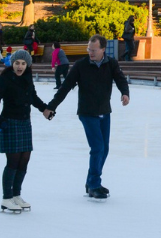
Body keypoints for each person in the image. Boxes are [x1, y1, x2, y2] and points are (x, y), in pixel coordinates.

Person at [45, 35, 130, 200]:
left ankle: (91, 181)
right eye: (89, 49)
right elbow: (66, 87)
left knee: (104, 149)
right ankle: (93, 184)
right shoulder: (80, 65)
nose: (90, 52)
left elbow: (120, 79)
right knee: (97, 147)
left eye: (93, 50)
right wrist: (51, 106)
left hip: (105, 111)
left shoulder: (111, 63)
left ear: (103, 49)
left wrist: (125, 93)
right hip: (87, 112)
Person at [0, 49, 54, 213]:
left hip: (25, 122)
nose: (20, 66)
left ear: (28, 65)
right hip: (9, 122)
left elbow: (32, 97)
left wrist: (44, 109)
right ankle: (6, 197)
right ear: (12, 64)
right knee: (13, 161)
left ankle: (16, 194)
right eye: (17, 63)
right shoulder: (5, 78)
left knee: (24, 159)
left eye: (23, 63)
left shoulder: (27, 77)